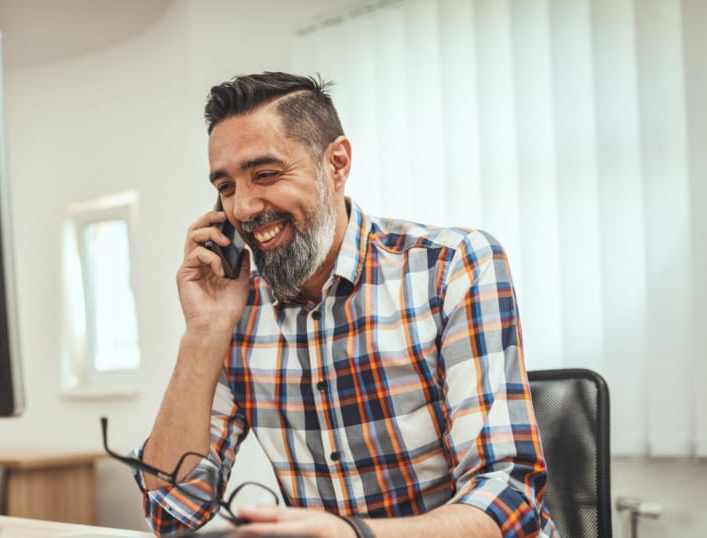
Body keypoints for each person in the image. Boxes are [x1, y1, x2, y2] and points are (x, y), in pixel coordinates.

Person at [132, 72, 557, 538]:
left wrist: (354, 534)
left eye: (266, 175)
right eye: (227, 186)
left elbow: (508, 496)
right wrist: (202, 335)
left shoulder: (450, 266)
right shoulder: (238, 309)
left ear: (336, 164)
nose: (244, 208)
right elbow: (172, 512)